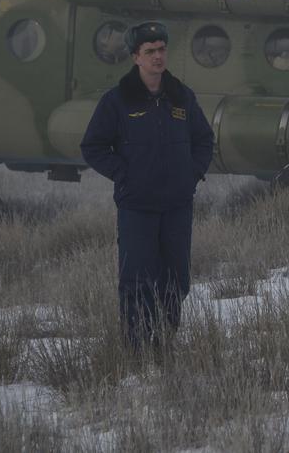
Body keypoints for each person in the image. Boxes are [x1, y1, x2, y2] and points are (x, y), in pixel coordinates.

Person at [80, 21, 214, 350]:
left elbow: (204, 139)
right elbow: (93, 146)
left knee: (176, 280)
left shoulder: (182, 96)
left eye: (161, 50)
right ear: (136, 57)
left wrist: (191, 174)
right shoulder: (118, 101)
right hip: (137, 205)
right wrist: (124, 174)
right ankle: (138, 349)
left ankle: (165, 342)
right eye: (150, 51)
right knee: (137, 280)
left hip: (177, 205)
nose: (157, 57)